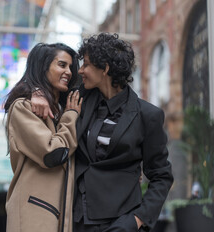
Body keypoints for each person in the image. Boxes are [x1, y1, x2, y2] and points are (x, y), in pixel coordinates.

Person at [31, 33, 174, 232]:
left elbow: (161, 176)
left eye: (86, 65)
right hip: (75, 218)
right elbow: (48, 82)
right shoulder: (78, 98)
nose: (79, 71)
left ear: (105, 68)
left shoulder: (147, 115)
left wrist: (137, 219)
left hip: (120, 222)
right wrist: (37, 92)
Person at [4, 42, 83, 232]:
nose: (69, 72)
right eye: (62, 65)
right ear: (43, 66)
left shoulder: (60, 110)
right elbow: (53, 153)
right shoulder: (23, 107)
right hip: (33, 212)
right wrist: (71, 117)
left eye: (70, 67)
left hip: (56, 213)